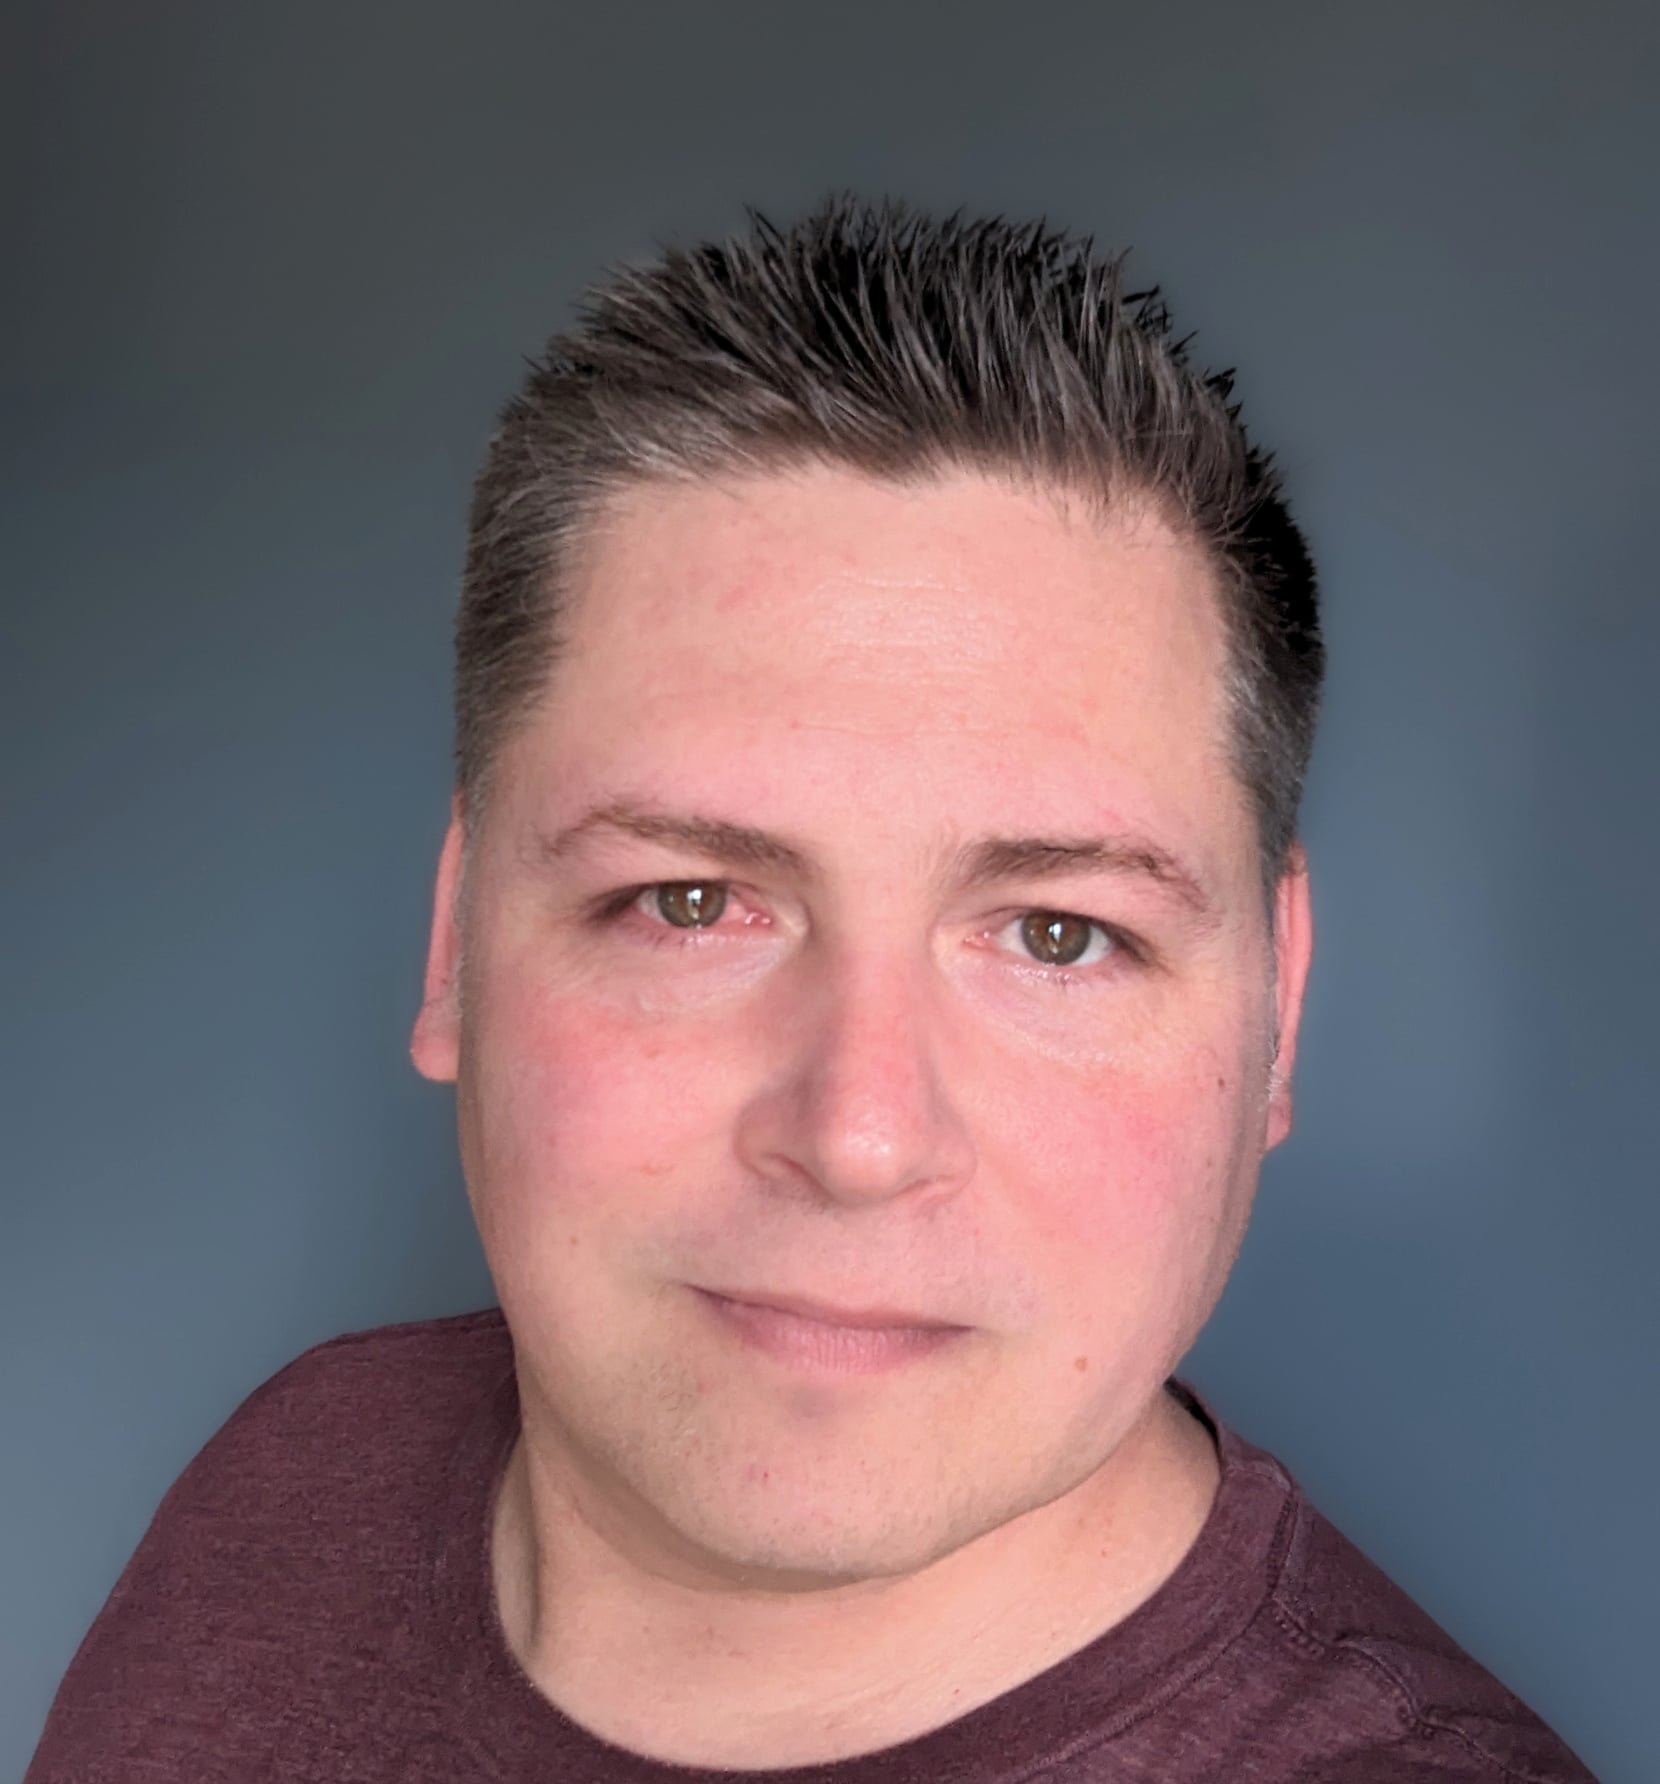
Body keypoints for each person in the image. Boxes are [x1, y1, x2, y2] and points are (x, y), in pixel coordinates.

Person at [27, 198, 1596, 1781]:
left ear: (1279, 1011)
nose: (858, 1135)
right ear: (453, 946)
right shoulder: (302, 1471)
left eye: (1059, 934)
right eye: (691, 905)